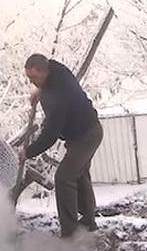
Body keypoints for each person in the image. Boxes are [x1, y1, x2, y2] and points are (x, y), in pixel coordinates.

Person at [18, 53, 103, 238]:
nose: (31, 82)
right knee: (79, 175)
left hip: (87, 136)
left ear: (43, 71)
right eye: (29, 78)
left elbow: (50, 134)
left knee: (64, 177)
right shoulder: (56, 70)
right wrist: (40, 91)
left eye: (34, 78)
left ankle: (70, 234)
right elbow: (51, 84)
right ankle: (88, 223)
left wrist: (28, 152)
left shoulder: (57, 93)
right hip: (84, 132)